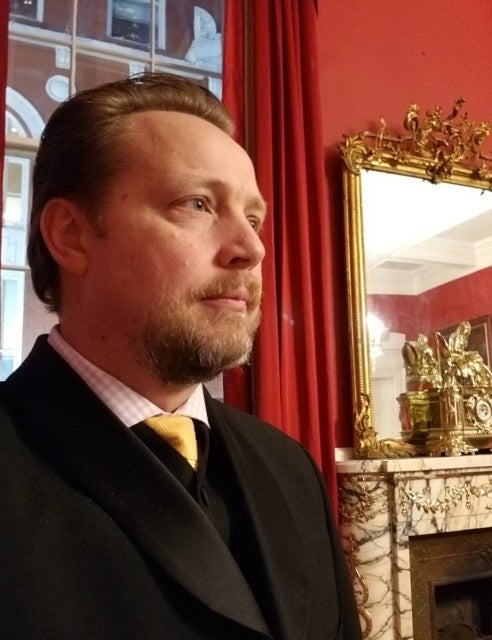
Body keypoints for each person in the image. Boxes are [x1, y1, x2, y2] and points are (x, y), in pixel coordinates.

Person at [0, 73, 362, 640]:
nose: (251, 248)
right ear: (71, 235)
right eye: (197, 204)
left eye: (254, 218)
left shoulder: (290, 468)